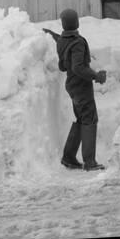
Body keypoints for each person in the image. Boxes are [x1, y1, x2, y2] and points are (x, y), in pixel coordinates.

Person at [44, 9, 107, 171]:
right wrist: (96, 76)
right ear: (77, 22)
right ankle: (90, 162)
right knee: (89, 119)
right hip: (81, 87)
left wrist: (52, 34)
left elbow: (62, 41)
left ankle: (69, 157)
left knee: (81, 119)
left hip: (72, 86)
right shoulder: (77, 42)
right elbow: (78, 67)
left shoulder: (64, 40)